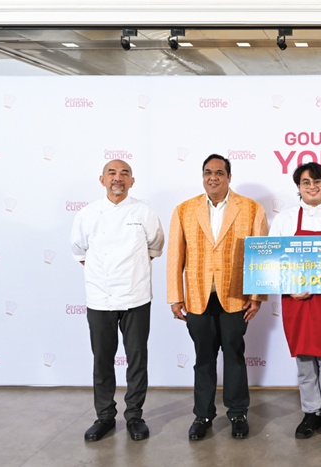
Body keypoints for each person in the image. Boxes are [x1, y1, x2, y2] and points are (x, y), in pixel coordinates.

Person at [167, 154, 267, 441]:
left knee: (234, 356)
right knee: (203, 358)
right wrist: (175, 296)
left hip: (236, 296)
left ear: (229, 177)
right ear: (203, 176)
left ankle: (238, 413)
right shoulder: (184, 209)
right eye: (208, 172)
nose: (213, 177)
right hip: (197, 297)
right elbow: (175, 256)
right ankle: (203, 415)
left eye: (219, 173)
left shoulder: (251, 208)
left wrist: (257, 296)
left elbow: (260, 254)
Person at [70, 160, 165, 442]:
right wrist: (103, 275)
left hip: (136, 297)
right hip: (100, 298)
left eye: (124, 173)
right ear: (102, 179)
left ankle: (134, 416)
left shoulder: (144, 212)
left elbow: (155, 246)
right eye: (112, 173)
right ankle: (104, 417)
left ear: (132, 181)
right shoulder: (87, 214)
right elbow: (79, 251)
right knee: (102, 361)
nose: (118, 178)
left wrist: (132, 271)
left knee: (137, 359)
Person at [268, 162, 321, 440]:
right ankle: (311, 413)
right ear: (298, 187)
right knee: (305, 362)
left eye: (317, 182)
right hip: (297, 299)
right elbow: (271, 260)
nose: (312, 187)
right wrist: (288, 287)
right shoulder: (284, 219)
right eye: (306, 182)